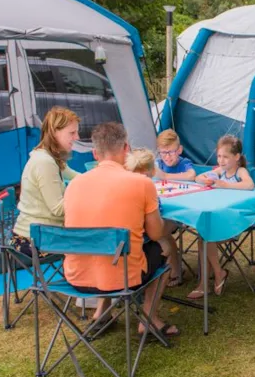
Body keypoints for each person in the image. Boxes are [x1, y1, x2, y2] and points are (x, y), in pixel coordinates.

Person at [63, 123, 179, 337]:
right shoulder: (140, 183)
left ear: (95, 153)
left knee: (106, 250)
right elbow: (154, 234)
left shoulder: (74, 185)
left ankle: (102, 313)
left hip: (77, 278)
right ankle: (149, 319)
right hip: (123, 278)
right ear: (126, 148)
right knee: (163, 245)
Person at [187, 135, 255, 300]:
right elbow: (197, 178)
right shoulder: (220, 171)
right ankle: (211, 278)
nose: (221, 160)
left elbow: (250, 185)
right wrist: (206, 179)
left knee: (206, 236)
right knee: (204, 236)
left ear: (236, 157)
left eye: (225, 156)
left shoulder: (240, 171)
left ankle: (213, 277)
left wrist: (227, 185)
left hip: (234, 222)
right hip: (218, 219)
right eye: (219, 156)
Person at [11, 106, 80, 257]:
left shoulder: (51, 157)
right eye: (72, 133)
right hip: (34, 240)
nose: (77, 138)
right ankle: (84, 279)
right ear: (55, 132)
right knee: (93, 241)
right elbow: (58, 209)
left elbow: (78, 178)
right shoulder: (45, 162)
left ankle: (83, 277)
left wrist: (101, 177)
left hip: (38, 233)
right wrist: (82, 196)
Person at [124, 147, 185, 287]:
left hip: (120, 242)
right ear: (152, 171)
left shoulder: (124, 186)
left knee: (165, 235)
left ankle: (175, 272)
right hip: (141, 237)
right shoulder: (147, 188)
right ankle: (170, 275)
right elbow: (155, 230)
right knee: (168, 230)